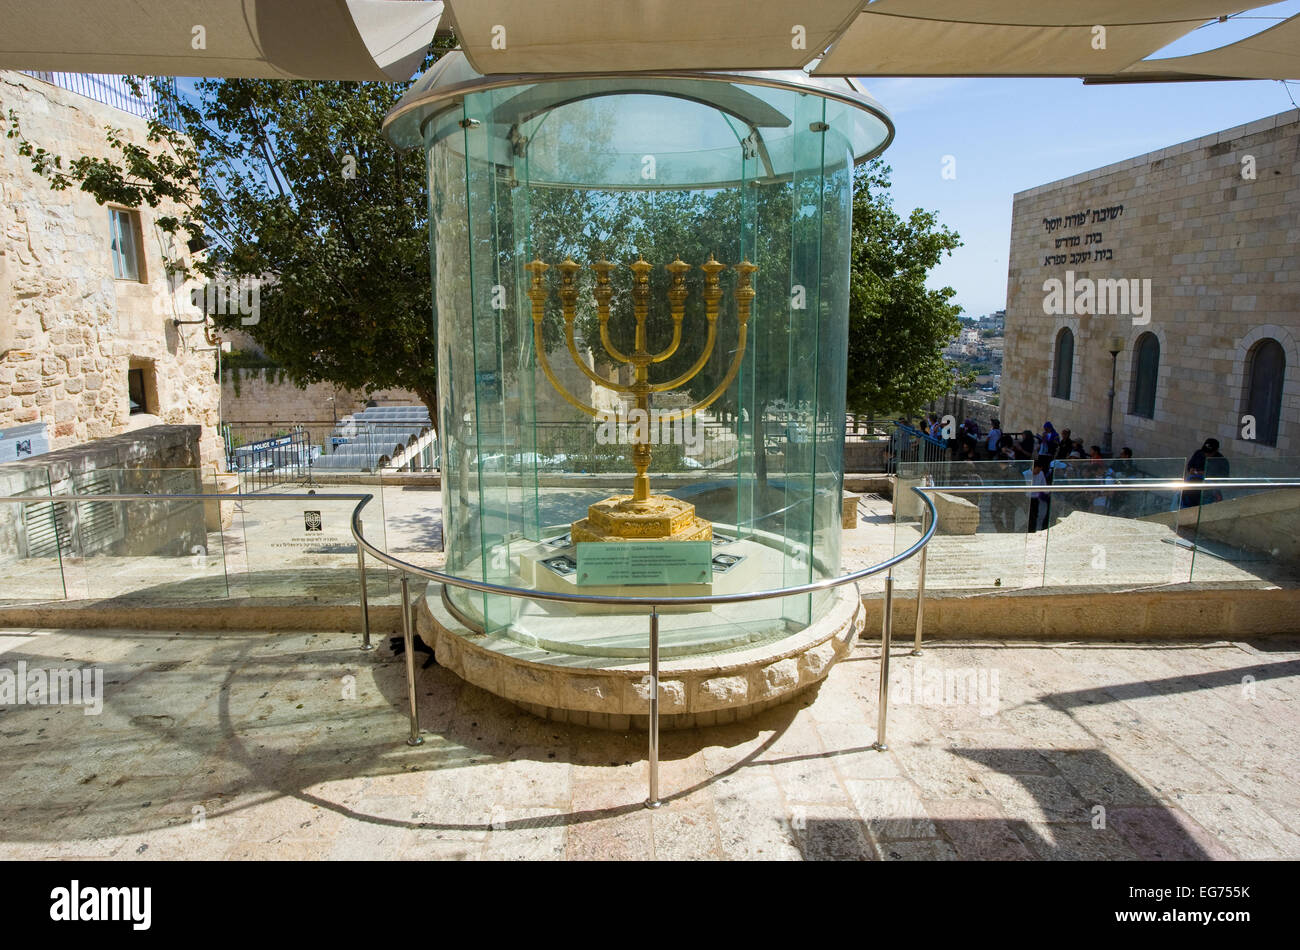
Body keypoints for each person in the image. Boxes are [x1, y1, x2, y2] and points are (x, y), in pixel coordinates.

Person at [1182, 438, 1229, 508]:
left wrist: (1207, 475)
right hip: (1193, 482)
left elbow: (1224, 478)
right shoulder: (1198, 453)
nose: (1206, 454)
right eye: (1205, 452)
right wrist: (1191, 470)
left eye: (1209, 452)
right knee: (1180, 495)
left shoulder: (1222, 461)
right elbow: (1190, 466)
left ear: (1216, 450)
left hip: (1209, 487)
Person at [1027, 457, 1050, 532]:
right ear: (1034, 467)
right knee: (1029, 517)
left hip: (1036, 499)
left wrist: (1046, 492)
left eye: (1040, 470)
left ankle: (1032, 531)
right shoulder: (1025, 474)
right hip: (1027, 498)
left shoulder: (1041, 473)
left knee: (1035, 516)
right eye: (1037, 470)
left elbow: (1044, 486)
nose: (1038, 472)